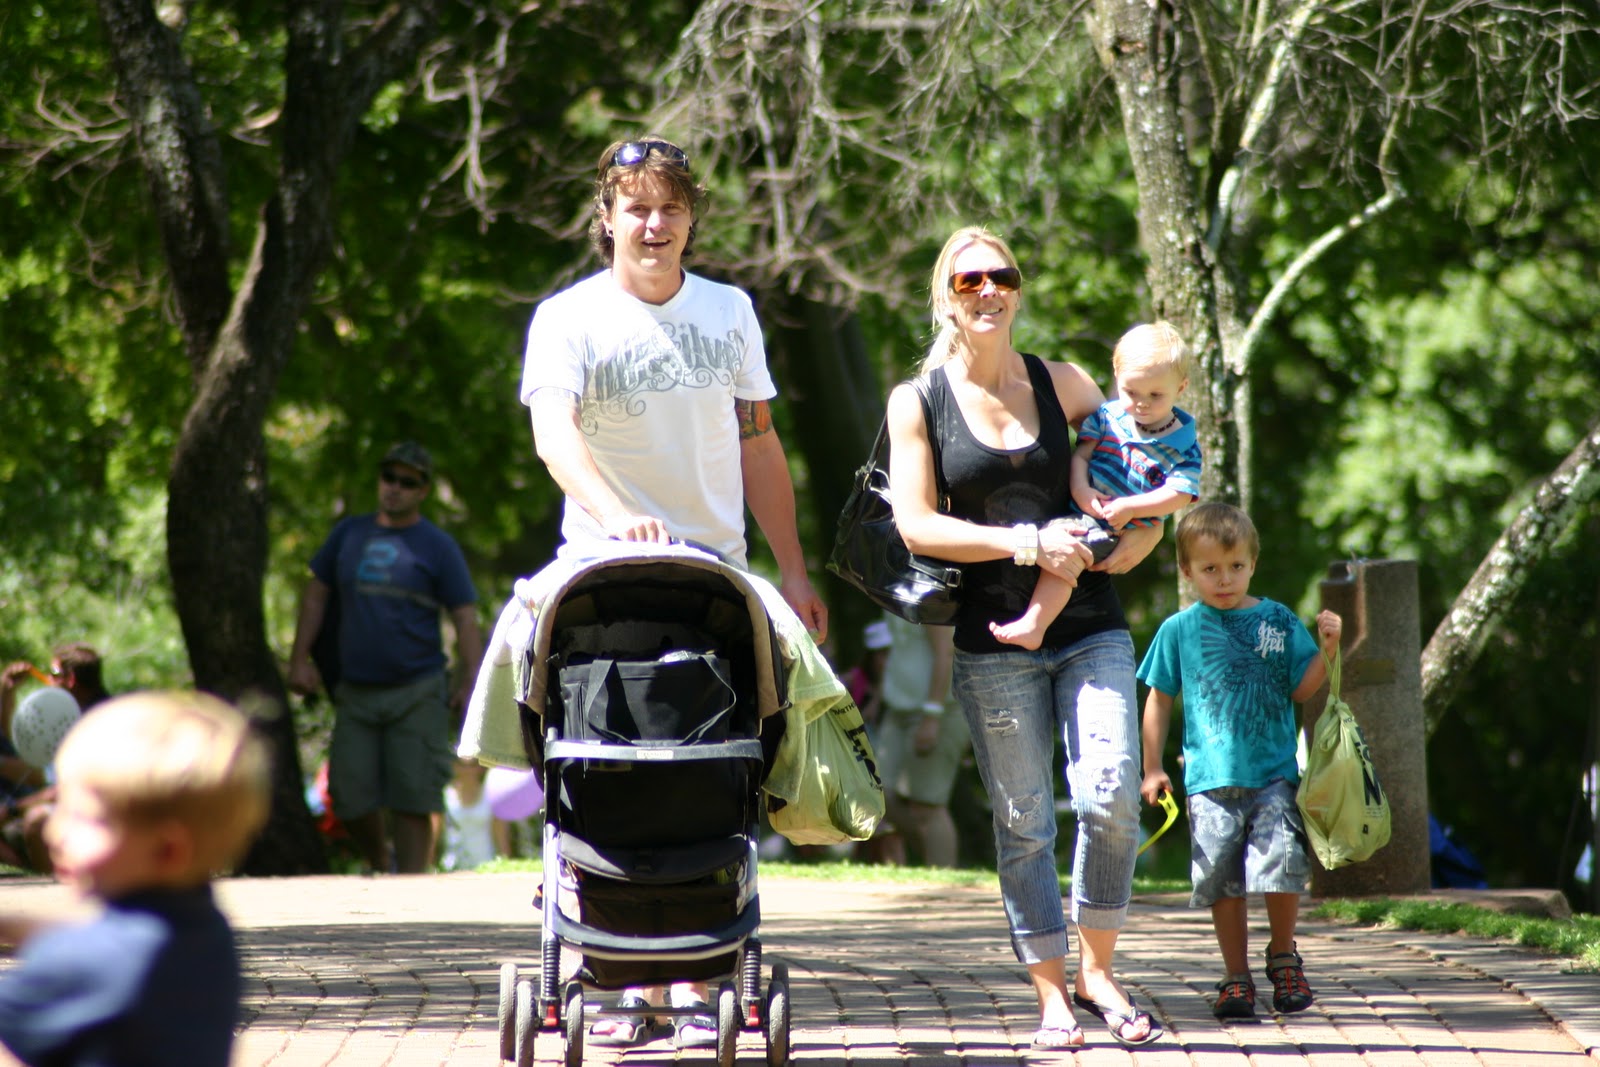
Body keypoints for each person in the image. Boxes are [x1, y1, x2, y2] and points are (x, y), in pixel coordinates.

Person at [520, 135, 829, 1049]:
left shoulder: (731, 312)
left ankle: (697, 978)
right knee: (568, 734)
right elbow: (553, 434)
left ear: (692, 219)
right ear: (607, 216)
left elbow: (758, 440)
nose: (654, 225)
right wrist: (619, 517)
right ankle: (620, 976)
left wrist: (793, 569)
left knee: (713, 771)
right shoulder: (566, 317)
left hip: (715, 581)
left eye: (671, 208)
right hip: (597, 576)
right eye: (637, 208)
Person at [885, 225, 1164, 1050]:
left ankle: (1098, 973)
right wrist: (1025, 543)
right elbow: (915, 523)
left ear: (1018, 289)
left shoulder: (1066, 383)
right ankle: (1051, 995)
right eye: (968, 280)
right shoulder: (919, 401)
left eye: (1000, 277)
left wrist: (1146, 529)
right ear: (947, 296)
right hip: (991, 641)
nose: (987, 291)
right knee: (1025, 821)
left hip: (1090, 625)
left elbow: (1141, 462)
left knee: (1111, 795)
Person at [1136, 502, 1342, 1020]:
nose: (1224, 579)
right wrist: (1152, 767)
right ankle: (1236, 976)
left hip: (1274, 774)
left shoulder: (1278, 620)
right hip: (1208, 782)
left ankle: (1284, 956)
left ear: (1253, 563)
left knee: (1283, 866)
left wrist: (1329, 650)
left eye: (1235, 566)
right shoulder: (1178, 630)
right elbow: (1158, 700)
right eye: (1209, 568)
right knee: (1222, 883)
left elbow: (1302, 689)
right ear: (1186, 570)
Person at [0, 690, 271, 1067]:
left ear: (168, 850)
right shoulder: (205, 929)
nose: (54, 831)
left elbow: (81, 956)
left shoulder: (92, 964)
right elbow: (96, 937)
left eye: (84, 817)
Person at [287, 441, 484, 875]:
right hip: (355, 689)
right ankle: (380, 860)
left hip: (418, 688)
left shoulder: (437, 546)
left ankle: (410, 886)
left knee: (414, 797)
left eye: (407, 482)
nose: (394, 487)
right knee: (347, 795)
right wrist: (299, 659)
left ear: (422, 491)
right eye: (388, 477)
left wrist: (471, 681)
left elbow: (465, 618)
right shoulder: (348, 534)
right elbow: (316, 595)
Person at [991, 320, 1201, 649]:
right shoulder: (1108, 417)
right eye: (1131, 392)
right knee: (1050, 538)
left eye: (1156, 395)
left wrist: (1132, 509)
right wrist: (1081, 490)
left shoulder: (1183, 442)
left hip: (1119, 526)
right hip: (1083, 507)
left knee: (1069, 552)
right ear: (1117, 377)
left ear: (1181, 388)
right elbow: (1082, 456)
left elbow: (1179, 493)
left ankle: (1035, 624)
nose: (1142, 403)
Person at [0, 644, 112, 872]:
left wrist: (11, 810)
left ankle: (57, 887)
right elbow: (21, 746)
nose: (47, 680)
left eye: (53, 673)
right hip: (72, 803)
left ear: (70, 679)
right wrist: (7, 692)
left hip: (101, 811)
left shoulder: (98, 720)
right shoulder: (65, 716)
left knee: (37, 820)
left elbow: (57, 784)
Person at [873, 613, 968, 868]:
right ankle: (930, 862)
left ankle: (943, 878)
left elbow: (946, 653)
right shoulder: (894, 593)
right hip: (898, 709)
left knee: (926, 806)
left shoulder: (928, 595)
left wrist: (932, 714)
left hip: (938, 709)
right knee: (877, 795)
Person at [440, 757, 498, 871]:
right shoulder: (445, 795)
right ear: (454, 766)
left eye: (472, 765)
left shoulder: (491, 795)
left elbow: (500, 832)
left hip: (486, 865)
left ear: (480, 767)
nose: (468, 770)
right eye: (462, 765)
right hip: (451, 866)